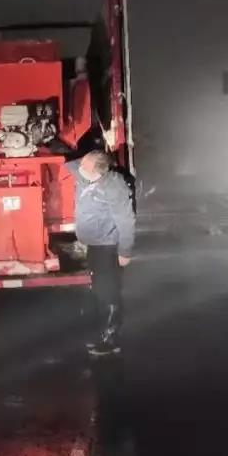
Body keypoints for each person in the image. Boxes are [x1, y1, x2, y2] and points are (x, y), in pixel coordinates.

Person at [67, 150, 136, 356]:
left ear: (98, 171)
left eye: (85, 165)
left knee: (108, 293)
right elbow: (69, 161)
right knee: (99, 291)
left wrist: (125, 251)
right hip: (95, 246)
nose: (80, 167)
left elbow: (126, 221)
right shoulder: (86, 176)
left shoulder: (114, 187)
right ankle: (102, 334)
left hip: (108, 247)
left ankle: (111, 339)